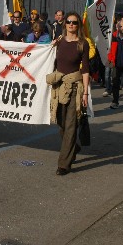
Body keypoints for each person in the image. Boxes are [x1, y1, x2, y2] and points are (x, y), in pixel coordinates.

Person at [47, 12, 90, 175]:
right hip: (58, 87)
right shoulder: (59, 41)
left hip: (74, 87)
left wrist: (85, 93)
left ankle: (64, 164)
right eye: (69, 22)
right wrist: (49, 47)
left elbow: (85, 70)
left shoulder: (82, 43)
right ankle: (74, 146)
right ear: (64, 24)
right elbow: (49, 59)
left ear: (79, 25)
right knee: (61, 123)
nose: (71, 25)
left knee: (71, 125)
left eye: (75, 22)